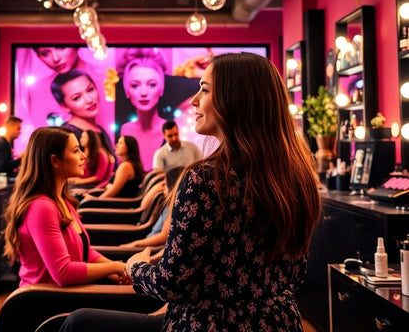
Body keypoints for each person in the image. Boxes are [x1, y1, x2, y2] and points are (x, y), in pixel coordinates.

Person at [60, 52, 322, 331]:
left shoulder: (206, 179)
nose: (195, 99)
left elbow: (171, 284)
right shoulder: (297, 176)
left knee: (78, 322)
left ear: (235, 101)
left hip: (210, 324)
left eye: (205, 90)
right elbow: (295, 277)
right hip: (280, 322)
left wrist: (134, 268)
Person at [3, 126, 128, 287]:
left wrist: (117, 271)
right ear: (55, 160)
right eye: (76, 151)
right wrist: (116, 267)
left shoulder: (62, 201)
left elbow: (85, 252)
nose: (83, 156)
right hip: (43, 303)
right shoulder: (41, 208)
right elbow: (64, 273)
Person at [116, 48, 167, 171]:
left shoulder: (173, 129)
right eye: (135, 85)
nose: (144, 92)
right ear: (127, 91)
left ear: (161, 88)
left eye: (151, 84)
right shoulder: (125, 130)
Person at [51, 69, 115, 158]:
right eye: (77, 98)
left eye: (90, 90)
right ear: (64, 106)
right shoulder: (67, 137)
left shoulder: (100, 130)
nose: (89, 100)